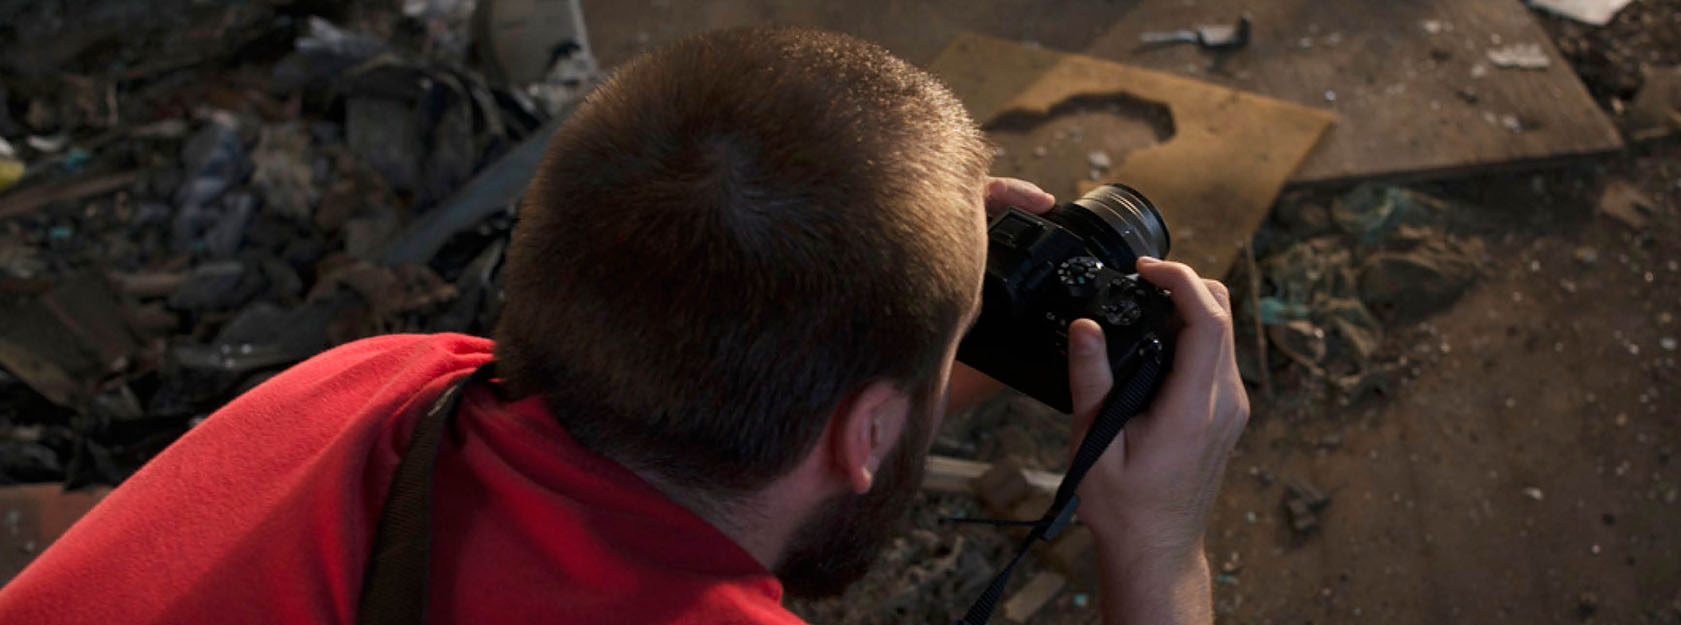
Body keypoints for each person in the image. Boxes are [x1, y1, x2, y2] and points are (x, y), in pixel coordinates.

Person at [0, 26, 1247, 625]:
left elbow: (797, 410)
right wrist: (1160, 553)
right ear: (865, 428)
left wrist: (901, 281)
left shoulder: (373, 382)